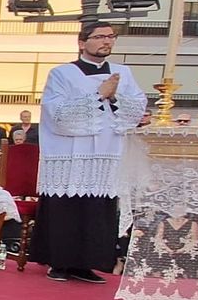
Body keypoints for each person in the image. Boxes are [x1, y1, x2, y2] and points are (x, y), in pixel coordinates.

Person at [29, 21, 145, 284]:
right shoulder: (62, 73)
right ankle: (59, 262)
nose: (107, 41)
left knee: (97, 208)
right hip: (69, 154)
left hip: (106, 154)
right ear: (82, 42)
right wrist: (98, 95)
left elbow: (137, 110)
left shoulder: (123, 73)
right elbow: (55, 113)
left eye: (111, 37)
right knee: (66, 207)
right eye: (100, 37)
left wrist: (114, 97)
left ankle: (86, 264)